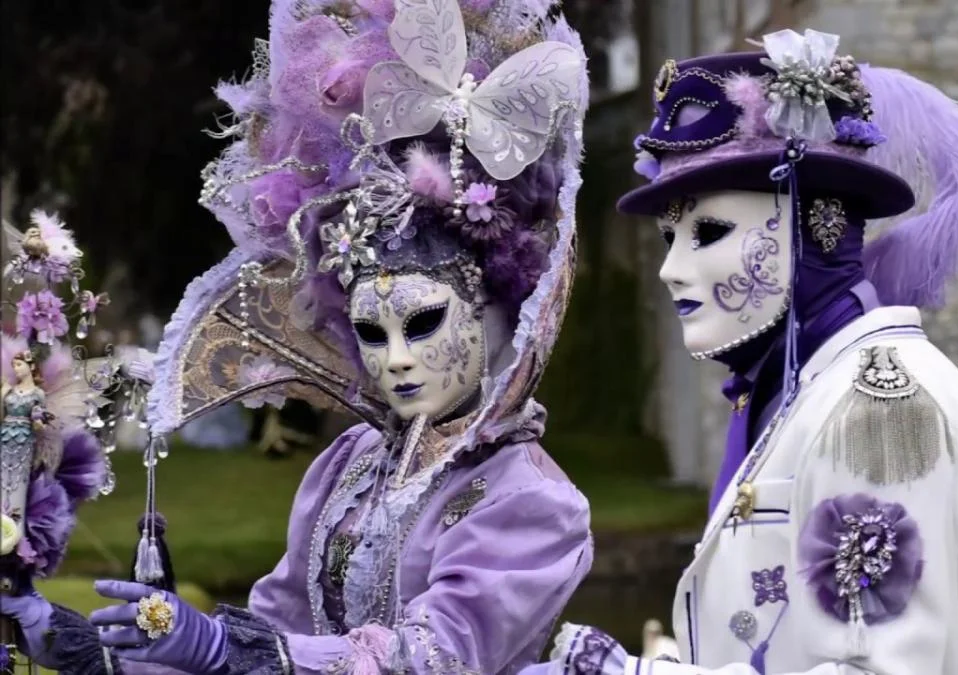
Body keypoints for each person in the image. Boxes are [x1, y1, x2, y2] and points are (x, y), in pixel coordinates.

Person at [1, 0, 592, 673]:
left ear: (489, 312)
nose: (394, 358)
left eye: (423, 322)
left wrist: (243, 649)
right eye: (371, 330)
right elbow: (270, 629)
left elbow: (435, 655)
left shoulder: (531, 500)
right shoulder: (350, 463)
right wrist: (89, 650)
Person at [524, 28, 958, 675]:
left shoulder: (881, 409)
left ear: (816, 226)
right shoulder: (800, 393)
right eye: (670, 236)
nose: (671, 269)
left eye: (710, 231)